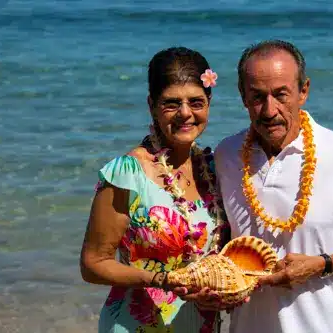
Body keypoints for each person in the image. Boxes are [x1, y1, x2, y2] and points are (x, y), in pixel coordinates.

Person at [130, 40, 333, 333]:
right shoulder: (226, 155)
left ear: (304, 91)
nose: (269, 110)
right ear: (243, 97)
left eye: (281, 94)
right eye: (258, 97)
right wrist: (208, 289)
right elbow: (220, 243)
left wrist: (322, 264)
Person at [80, 47, 232, 333]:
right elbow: (93, 264)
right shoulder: (127, 174)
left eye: (196, 102)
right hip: (136, 324)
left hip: (202, 324)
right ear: (152, 105)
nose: (185, 113)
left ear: (209, 102)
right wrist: (160, 280)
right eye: (172, 103)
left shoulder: (214, 168)